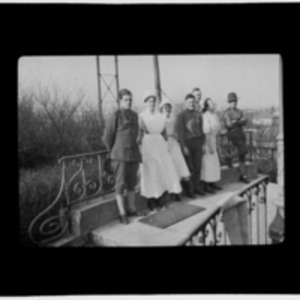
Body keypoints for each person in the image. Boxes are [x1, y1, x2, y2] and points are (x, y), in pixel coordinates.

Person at [102, 88, 145, 225]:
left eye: (130, 99)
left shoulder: (134, 115)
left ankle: (131, 209)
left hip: (133, 154)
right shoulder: (115, 115)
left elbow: (136, 135)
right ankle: (122, 213)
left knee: (132, 184)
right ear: (120, 101)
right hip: (120, 155)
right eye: (126, 100)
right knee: (120, 184)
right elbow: (107, 137)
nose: (129, 102)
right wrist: (113, 151)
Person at [138, 92, 182, 211]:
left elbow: (164, 133)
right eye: (149, 101)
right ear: (146, 103)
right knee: (150, 171)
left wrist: (166, 145)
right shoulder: (142, 116)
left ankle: (160, 197)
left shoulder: (160, 116)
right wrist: (140, 149)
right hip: (148, 144)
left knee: (162, 170)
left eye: (153, 101)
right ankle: (151, 199)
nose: (152, 103)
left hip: (160, 143)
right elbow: (139, 134)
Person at [159, 97, 190, 201]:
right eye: (165, 107)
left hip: (174, 143)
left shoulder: (174, 117)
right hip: (165, 143)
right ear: (162, 108)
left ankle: (178, 191)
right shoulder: (160, 118)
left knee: (178, 165)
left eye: (169, 107)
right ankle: (171, 191)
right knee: (169, 167)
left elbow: (177, 129)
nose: (167, 109)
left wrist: (177, 138)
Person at [176, 93, 206, 198]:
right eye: (189, 102)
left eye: (193, 102)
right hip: (188, 142)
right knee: (190, 167)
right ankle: (190, 190)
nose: (191, 104)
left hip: (198, 142)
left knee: (198, 166)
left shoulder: (198, 114)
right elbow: (180, 132)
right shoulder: (182, 115)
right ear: (185, 103)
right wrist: (183, 146)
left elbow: (202, 130)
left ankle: (197, 188)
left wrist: (203, 144)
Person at [222, 92, 250, 184]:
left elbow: (245, 121)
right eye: (232, 101)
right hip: (232, 133)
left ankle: (243, 175)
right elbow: (229, 124)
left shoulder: (240, 111)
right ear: (229, 102)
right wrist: (239, 121)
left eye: (235, 100)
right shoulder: (226, 112)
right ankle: (228, 158)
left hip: (240, 132)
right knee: (244, 150)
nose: (234, 102)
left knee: (242, 155)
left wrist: (236, 121)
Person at [201, 98, 223, 193]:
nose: (213, 104)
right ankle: (206, 185)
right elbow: (206, 132)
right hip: (207, 141)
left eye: (213, 102)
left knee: (214, 163)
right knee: (208, 163)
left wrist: (217, 143)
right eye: (210, 103)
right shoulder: (205, 116)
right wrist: (209, 146)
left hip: (213, 140)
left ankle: (212, 183)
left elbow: (217, 130)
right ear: (206, 106)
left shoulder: (215, 115)